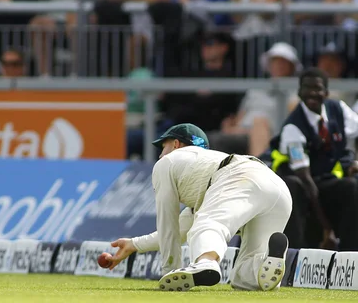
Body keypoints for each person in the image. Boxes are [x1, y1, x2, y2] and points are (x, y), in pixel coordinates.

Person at [105, 123, 292, 292]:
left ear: (176, 144)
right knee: (244, 279)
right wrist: (134, 244)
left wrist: (170, 271)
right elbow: (180, 229)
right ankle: (268, 261)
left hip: (240, 177)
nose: (161, 154)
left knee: (207, 225)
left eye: (163, 147)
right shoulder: (205, 167)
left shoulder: (167, 163)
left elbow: (167, 225)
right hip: (277, 188)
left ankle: (206, 262)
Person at [266, 67, 358, 251]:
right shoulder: (294, 127)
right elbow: (305, 179)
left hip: (325, 179)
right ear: (299, 92)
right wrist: (327, 228)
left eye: (317, 89)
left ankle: (351, 256)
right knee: (295, 188)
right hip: (303, 183)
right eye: (307, 88)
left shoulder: (338, 109)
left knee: (352, 186)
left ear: (326, 92)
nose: (312, 93)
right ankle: (295, 257)